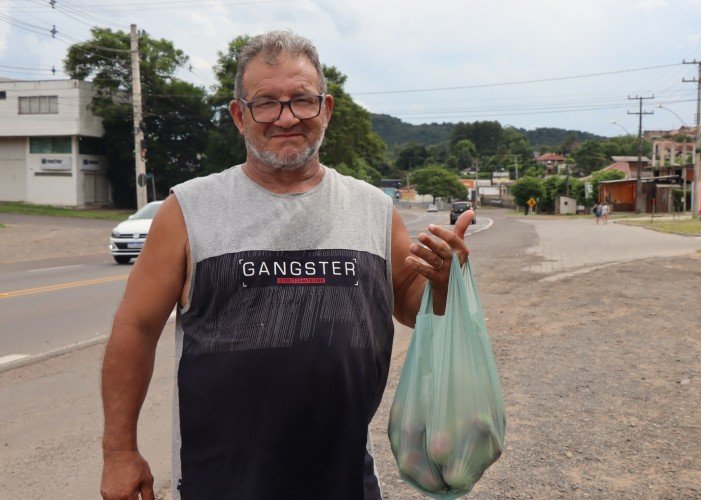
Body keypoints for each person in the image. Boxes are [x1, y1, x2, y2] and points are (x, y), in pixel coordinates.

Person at [99, 31, 474, 500]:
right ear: (240, 115)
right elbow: (134, 327)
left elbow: (411, 305)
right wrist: (119, 452)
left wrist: (444, 282)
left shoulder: (372, 208)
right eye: (266, 103)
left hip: (345, 482)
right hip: (219, 483)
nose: (286, 117)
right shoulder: (189, 210)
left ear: (326, 109)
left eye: (301, 101)